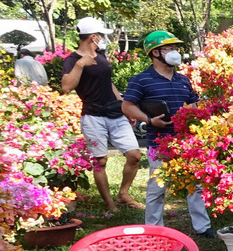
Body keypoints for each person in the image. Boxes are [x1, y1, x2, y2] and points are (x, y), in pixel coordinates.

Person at [121, 31, 214, 238]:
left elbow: (192, 103)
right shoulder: (141, 80)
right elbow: (127, 106)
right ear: (155, 52)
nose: (175, 52)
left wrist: (196, 113)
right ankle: (154, 230)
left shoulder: (183, 79)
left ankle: (202, 227)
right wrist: (149, 120)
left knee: (195, 185)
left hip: (185, 142)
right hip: (158, 143)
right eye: (169, 48)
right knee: (157, 188)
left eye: (175, 48)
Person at [61, 17, 142, 215]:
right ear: (92, 37)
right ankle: (109, 204)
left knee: (134, 156)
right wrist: (81, 65)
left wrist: (124, 106)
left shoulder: (101, 55)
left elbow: (108, 83)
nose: (103, 39)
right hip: (93, 116)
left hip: (115, 113)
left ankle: (123, 194)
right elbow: (66, 87)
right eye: (101, 36)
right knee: (100, 161)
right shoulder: (72, 60)